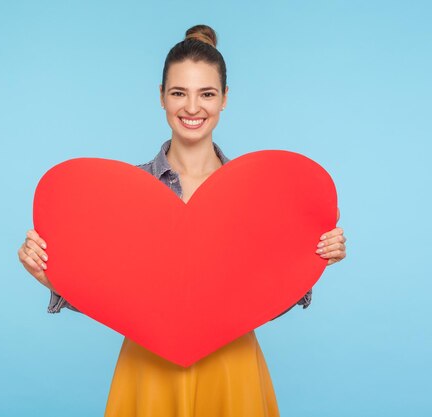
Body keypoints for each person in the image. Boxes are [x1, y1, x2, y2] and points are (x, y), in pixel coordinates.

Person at [18, 24, 347, 417]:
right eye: (179, 93)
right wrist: (51, 277)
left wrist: (314, 258)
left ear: (225, 99)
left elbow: (267, 293)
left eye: (206, 93)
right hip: (148, 368)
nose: (192, 107)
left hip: (232, 367)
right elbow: (111, 291)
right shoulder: (126, 193)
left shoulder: (257, 194)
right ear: (161, 97)